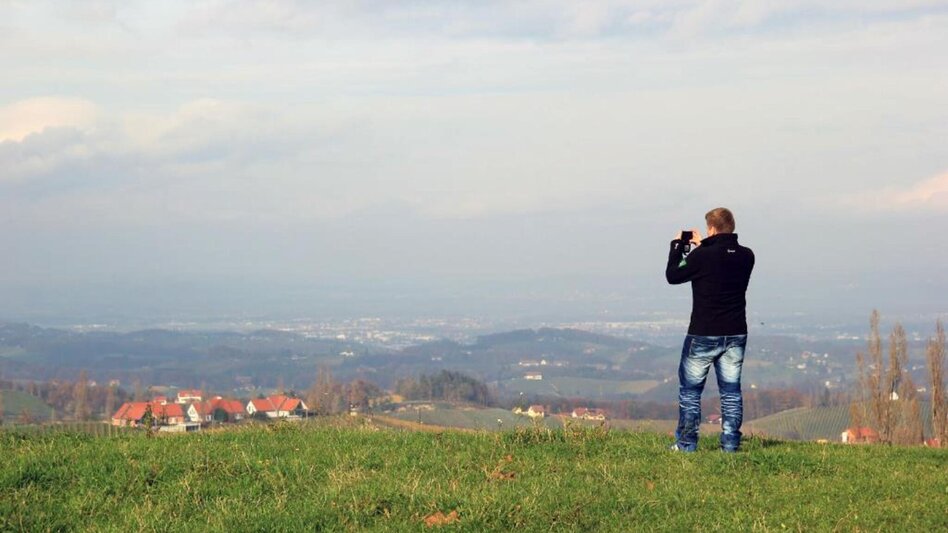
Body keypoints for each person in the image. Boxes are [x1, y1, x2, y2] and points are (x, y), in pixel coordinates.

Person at [665, 207, 754, 452]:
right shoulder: (747, 255)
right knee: (731, 392)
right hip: (736, 332)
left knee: (691, 392)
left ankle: (686, 444)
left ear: (711, 228)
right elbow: (723, 257)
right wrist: (704, 244)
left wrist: (677, 246)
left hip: (703, 332)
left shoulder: (703, 256)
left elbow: (673, 275)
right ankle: (730, 445)